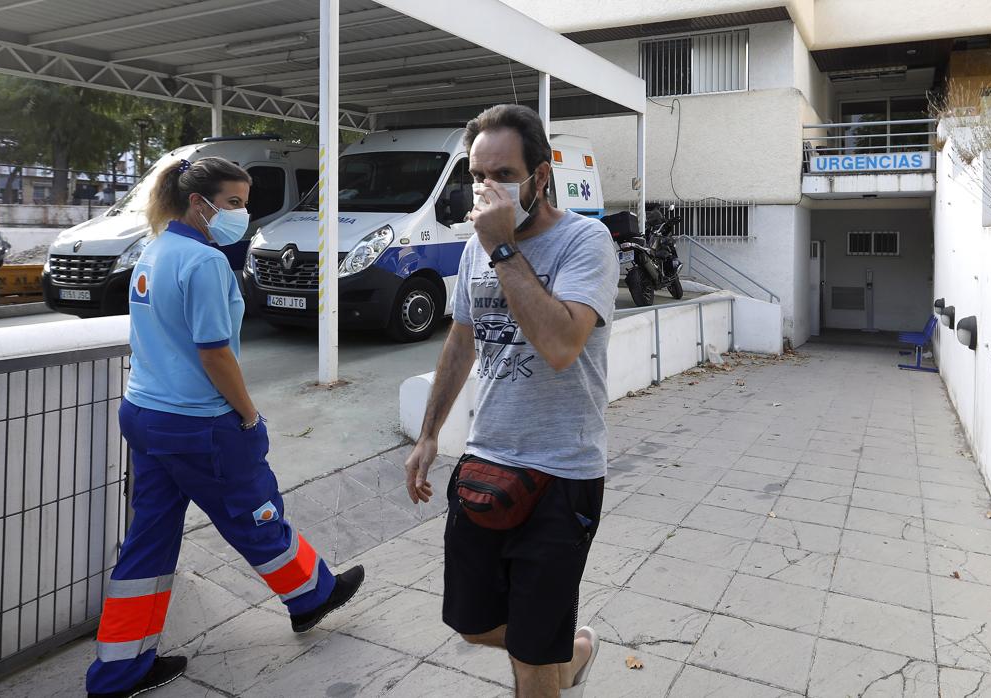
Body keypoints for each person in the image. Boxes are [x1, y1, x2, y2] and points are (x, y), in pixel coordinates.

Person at [85, 157, 365, 698]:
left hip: (145, 416)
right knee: (256, 515)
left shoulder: (154, 250)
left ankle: (119, 670)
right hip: (200, 425)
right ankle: (312, 597)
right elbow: (215, 354)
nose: (244, 214)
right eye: (234, 203)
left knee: (148, 541)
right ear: (199, 202)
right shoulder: (205, 263)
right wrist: (250, 416)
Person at [404, 104, 618, 698]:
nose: (486, 189)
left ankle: (548, 654)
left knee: (529, 658)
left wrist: (502, 249)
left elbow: (559, 345)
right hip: (487, 457)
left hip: (562, 469)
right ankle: (567, 654)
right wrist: (428, 435)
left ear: (540, 177)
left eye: (501, 174)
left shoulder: (586, 241)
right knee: (472, 624)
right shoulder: (477, 245)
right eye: (477, 176)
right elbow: (461, 339)